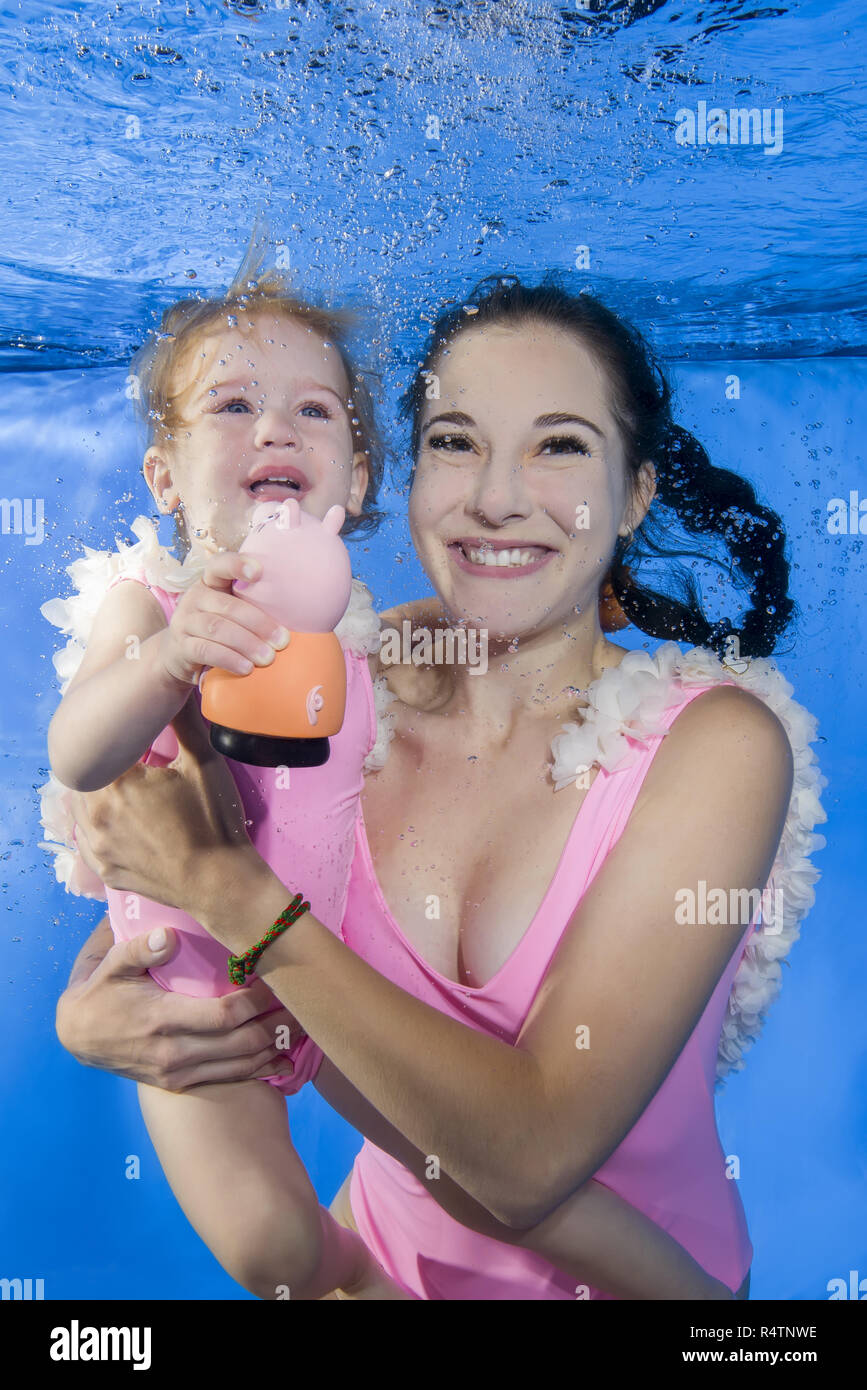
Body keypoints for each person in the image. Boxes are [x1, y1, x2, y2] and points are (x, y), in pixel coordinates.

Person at [60, 274, 827, 1300]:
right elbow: (161, 876)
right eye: (456, 440)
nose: (497, 496)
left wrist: (235, 900)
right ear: (404, 474)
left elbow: (523, 1159)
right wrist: (93, 1020)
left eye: (560, 445)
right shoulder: (330, 669)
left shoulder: (715, 745)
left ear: (638, 489)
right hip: (366, 1273)